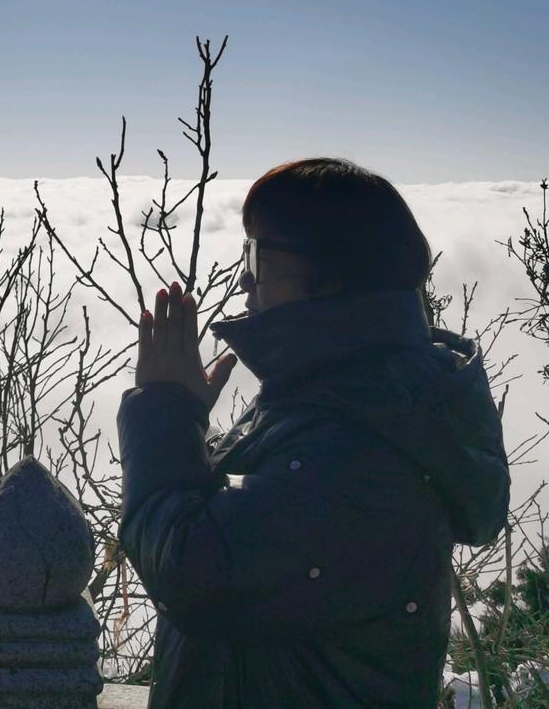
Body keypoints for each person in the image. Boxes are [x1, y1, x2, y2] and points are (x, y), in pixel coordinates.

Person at [117, 158, 510, 708]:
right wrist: (185, 429)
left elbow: (196, 572)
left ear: (334, 274)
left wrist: (163, 413)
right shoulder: (347, 400)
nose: (244, 278)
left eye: (258, 255)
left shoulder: (363, 450)